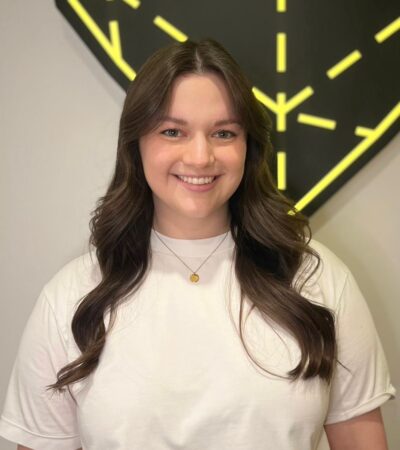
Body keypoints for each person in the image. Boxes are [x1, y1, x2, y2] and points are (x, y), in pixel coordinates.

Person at [0, 38, 396, 450]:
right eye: (173, 131)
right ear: (136, 144)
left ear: (248, 146)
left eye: (224, 133)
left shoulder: (319, 280)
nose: (200, 157)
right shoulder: (71, 296)